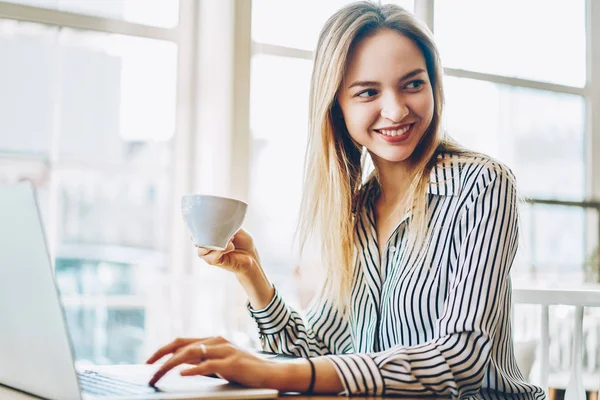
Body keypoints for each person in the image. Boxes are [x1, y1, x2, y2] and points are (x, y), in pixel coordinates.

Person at [146, 2, 546, 399]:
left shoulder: (482, 184)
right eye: (368, 92)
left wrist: (268, 373)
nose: (395, 109)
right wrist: (252, 275)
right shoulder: (358, 209)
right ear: (337, 105)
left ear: (433, 86)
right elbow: (317, 350)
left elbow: (462, 358)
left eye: (413, 84)